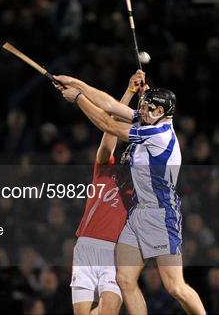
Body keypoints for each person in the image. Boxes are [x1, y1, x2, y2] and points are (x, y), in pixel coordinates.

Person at [55, 71, 206, 315]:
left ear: (163, 113)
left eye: (150, 109)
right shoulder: (150, 119)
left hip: (161, 214)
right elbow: (110, 105)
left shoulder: (159, 134)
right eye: (144, 107)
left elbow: (108, 124)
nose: (144, 113)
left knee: (175, 287)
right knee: (125, 280)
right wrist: (74, 82)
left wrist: (79, 98)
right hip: (139, 213)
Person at [70, 72, 141, 315]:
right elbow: (109, 129)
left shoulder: (141, 189)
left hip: (115, 253)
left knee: (109, 311)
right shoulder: (104, 169)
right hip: (86, 247)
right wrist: (129, 93)